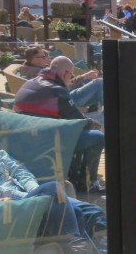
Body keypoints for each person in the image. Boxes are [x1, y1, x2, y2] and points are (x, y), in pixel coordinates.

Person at [0, 133, 107, 253]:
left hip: (32, 194)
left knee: (93, 213)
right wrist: (37, 198)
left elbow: (20, 171)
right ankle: (75, 247)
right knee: (55, 190)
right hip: (13, 204)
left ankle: (85, 249)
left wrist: (35, 191)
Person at [13, 56, 105, 193]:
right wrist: (100, 127)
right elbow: (80, 121)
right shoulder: (57, 91)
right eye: (71, 75)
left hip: (27, 139)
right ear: (66, 73)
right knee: (97, 137)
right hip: (48, 143)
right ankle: (88, 183)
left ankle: (79, 175)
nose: (70, 78)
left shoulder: (29, 83)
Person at [18, 46, 104, 111]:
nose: (47, 58)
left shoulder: (33, 69)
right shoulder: (40, 73)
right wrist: (83, 77)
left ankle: (96, 111)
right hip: (63, 100)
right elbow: (65, 85)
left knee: (95, 84)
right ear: (34, 60)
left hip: (60, 97)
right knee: (99, 83)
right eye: (43, 57)